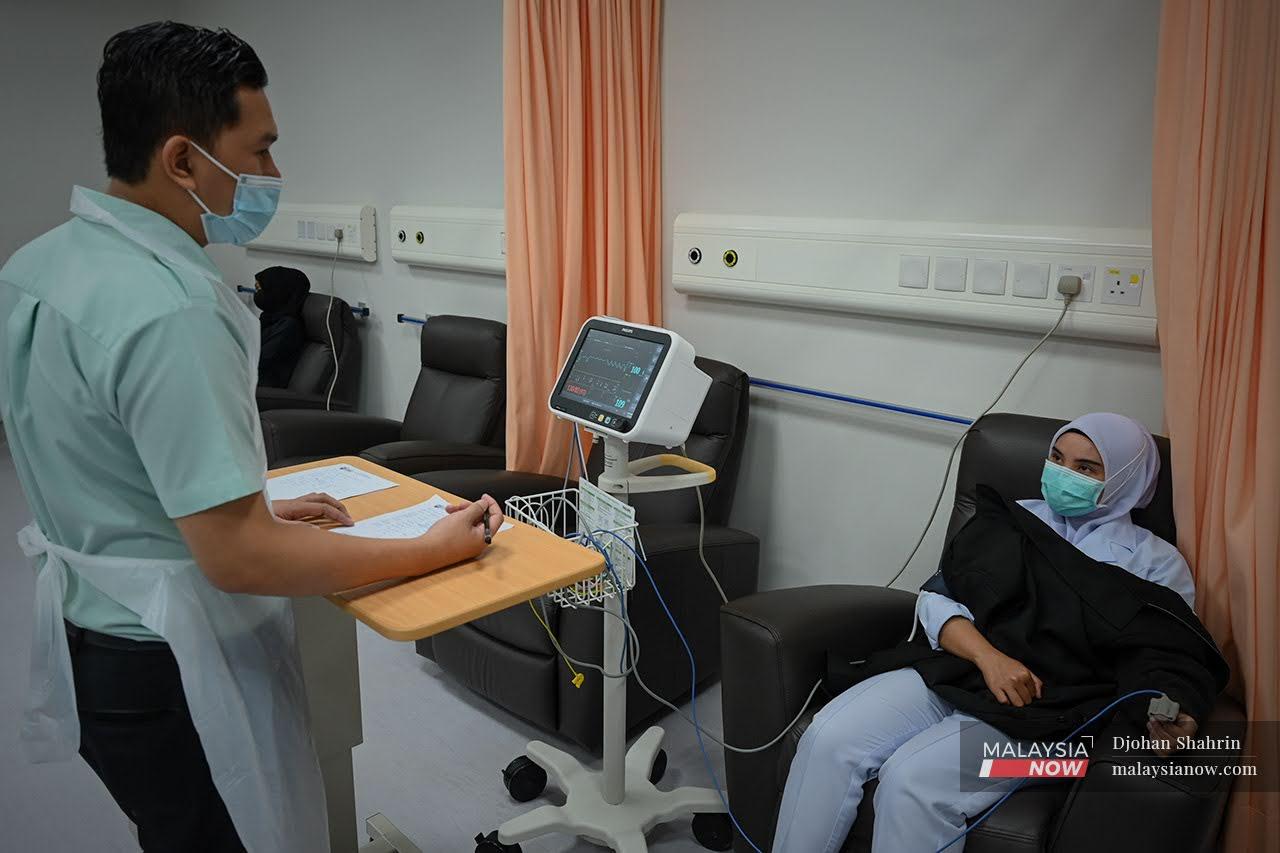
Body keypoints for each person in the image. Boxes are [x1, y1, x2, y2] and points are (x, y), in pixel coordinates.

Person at [0, 21, 501, 853]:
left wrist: (247, 503)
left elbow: (105, 458)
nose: (272, 175)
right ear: (183, 159)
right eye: (260, 151)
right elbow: (239, 560)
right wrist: (430, 549)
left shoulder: (39, 267)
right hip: (166, 660)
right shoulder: (171, 308)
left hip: (89, 637)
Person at [771, 413, 1226, 853]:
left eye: (1086, 468)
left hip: (1055, 712)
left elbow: (1168, 651)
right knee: (828, 736)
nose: (1064, 474)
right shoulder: (1009, 519)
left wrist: (1175, 706)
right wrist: (989, 658)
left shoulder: (1154, 562)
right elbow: (938, 597)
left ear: (1127, 479)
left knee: (913, 782)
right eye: (1057, 458)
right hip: (963, 667)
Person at [252, 265, 311, 388]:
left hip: (264, 388)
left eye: (259, 289)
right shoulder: (269, 318)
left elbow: (258, 360)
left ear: (277, 291)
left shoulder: (288, 327)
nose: (257, 294)